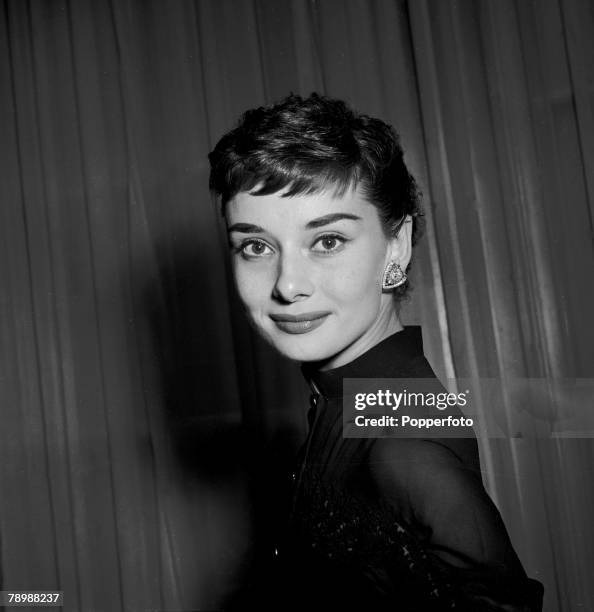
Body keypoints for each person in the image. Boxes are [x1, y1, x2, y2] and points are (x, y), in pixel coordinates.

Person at [208, 93, 544, 610]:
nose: (288, 285)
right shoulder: (363, 400)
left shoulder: (399, 443)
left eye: (328, 241)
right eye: (256, 246)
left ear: (398, 246)